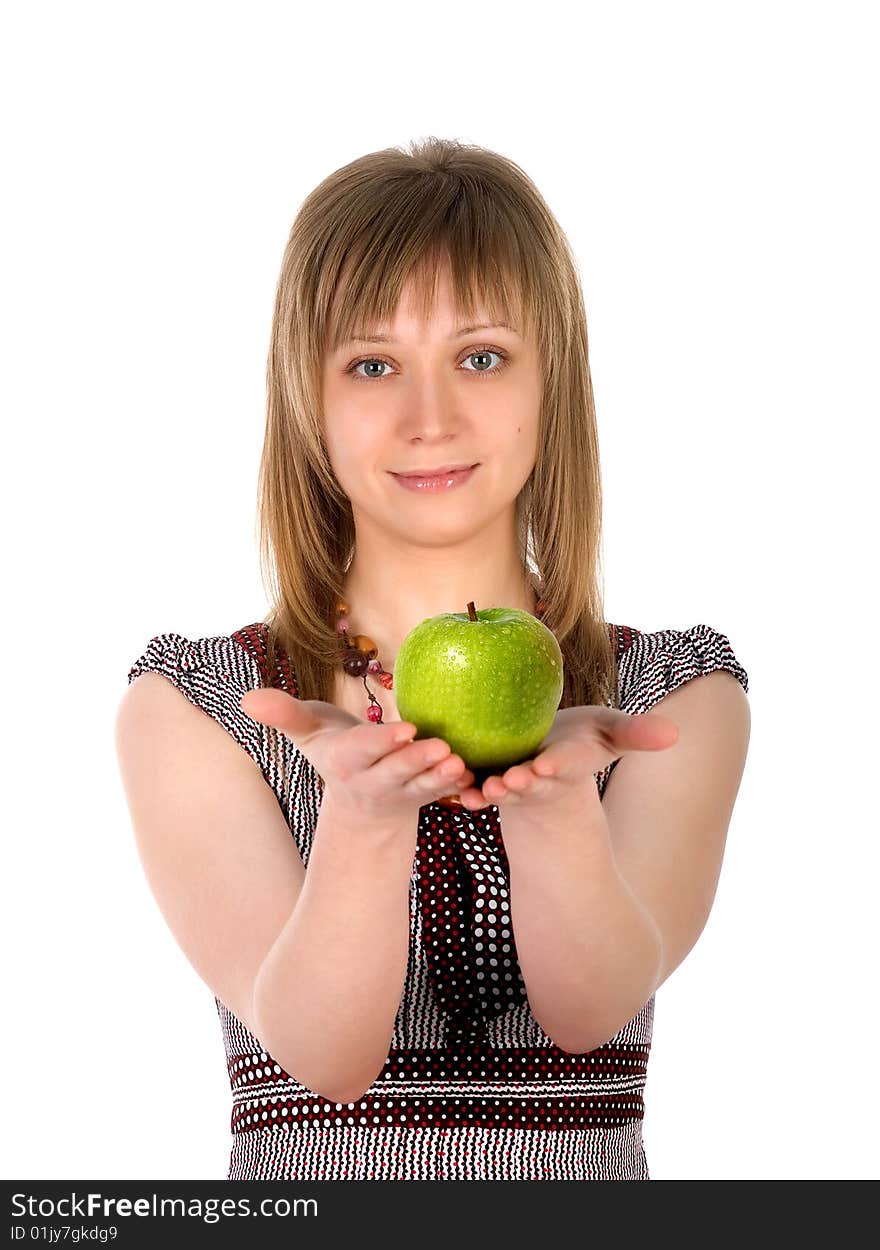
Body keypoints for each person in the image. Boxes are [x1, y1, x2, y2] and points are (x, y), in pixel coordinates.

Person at [116, 136, 751, 1181]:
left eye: (482, 356)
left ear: (553, 380)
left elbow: (592, 1012)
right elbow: (321, 1055)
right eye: (372, 365)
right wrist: (363, 824)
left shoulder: (669, 696)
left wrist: (553, 808)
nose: (430, 419)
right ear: (307, 399)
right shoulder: (207, 705)